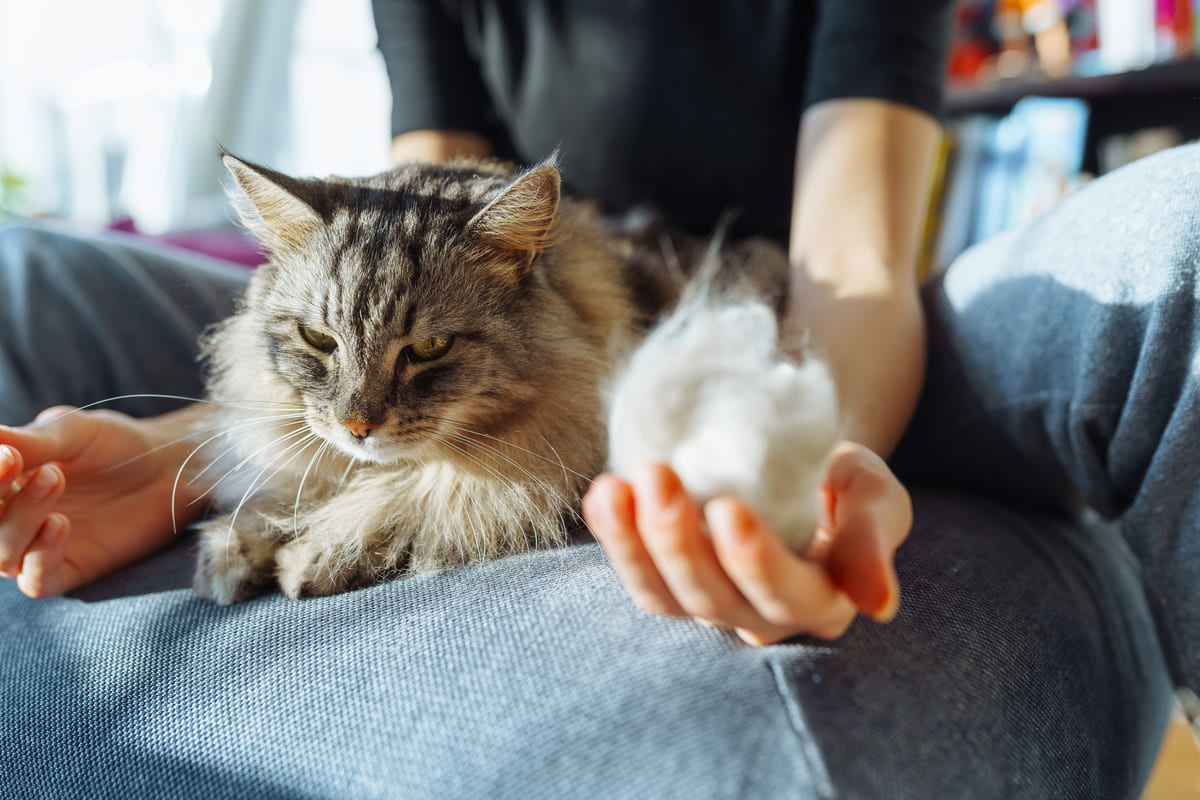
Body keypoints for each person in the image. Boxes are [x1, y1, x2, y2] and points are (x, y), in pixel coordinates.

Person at [0, 2, 1188, 797]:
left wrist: (796, 444)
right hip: (479, 283)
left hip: (812, 315)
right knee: (23, 268)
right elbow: (408, 236)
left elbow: (850, 266)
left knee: (1180, 229)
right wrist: (187, 447)